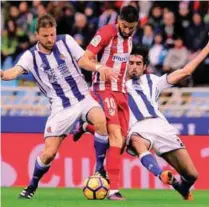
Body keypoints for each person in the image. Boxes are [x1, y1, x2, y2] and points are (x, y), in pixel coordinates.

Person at [74, 39, 209, 200]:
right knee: (137, 142)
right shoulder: (112, 84)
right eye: (130, 62)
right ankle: (161, 175)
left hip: (161, 127)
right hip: (135, 128)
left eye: (138, 63)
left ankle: (182, 188)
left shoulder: (153, 81)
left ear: (144, 66)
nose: (134, 67)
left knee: (192, 174)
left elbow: (185, 71)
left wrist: (207, 48)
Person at [0, 14, 117, 199]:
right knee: (48, 154)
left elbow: (83, 61)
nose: (50, 39)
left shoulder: (66, 41)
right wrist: (3, 74)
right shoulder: (31, 56)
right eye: (45, 36)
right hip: (60, 108)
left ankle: (100, 169)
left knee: (101, 119)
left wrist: (99, 68)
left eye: (52, 34)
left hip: (82, 97)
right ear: (37, 35)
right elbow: (14, 71)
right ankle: (31, 186)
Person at [78, 5, 139, 200]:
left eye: (132, 27)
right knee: (115, 136)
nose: (127, 30)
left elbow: (121, 64)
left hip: (122, 92)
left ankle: (87, 127)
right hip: (104, 89)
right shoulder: (106, 32)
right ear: (118, 20)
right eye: (124, 26)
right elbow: (83, 59)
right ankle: (113, 190)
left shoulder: (130, 38)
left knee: (120, 142)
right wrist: (99, 67)